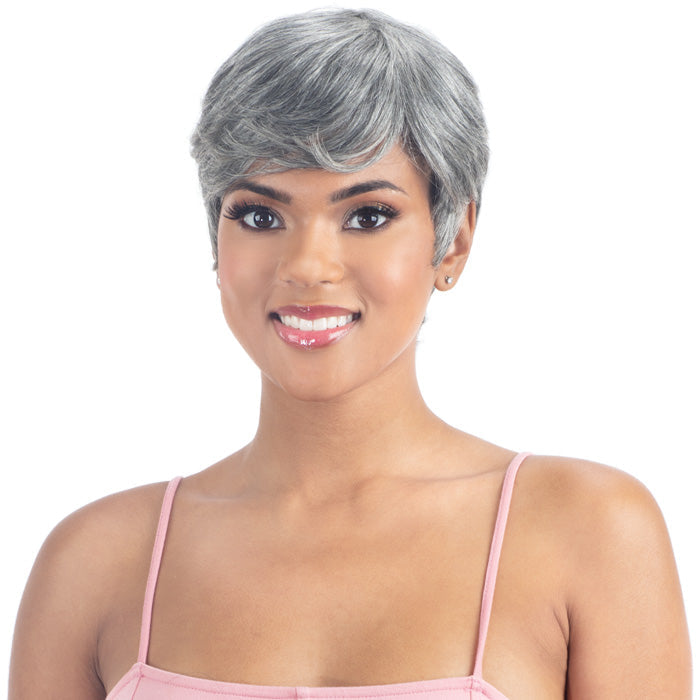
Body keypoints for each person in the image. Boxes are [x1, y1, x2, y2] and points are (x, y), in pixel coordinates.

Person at [9, 8, 691, 699]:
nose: (308, 266)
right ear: (217, 238)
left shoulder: (590, 532)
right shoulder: (92, 564)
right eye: (260, 215)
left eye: (367, 216)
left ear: (453, 241)